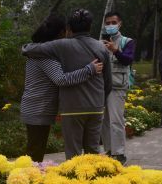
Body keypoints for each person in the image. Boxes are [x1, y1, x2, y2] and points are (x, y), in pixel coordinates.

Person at [22, 9, 112, 160]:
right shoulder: (100, 47)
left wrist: (25, 47)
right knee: (92, 153)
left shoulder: (57, 48)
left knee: (72, 156)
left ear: (69, 28)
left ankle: (72, 182)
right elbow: (62, 80)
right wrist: (90, 71)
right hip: (45, 108)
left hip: (66, 108)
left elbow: (27, 48)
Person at [100, 11, 136, 164]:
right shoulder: (99, 42)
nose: (110, 26)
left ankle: (119, 153)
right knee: (103, 121)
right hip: (101, 86)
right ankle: (108, 150)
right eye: (107, 23)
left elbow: (128, 59)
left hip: (117, 86)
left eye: (113, 22)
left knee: (116, 120)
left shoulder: (127, 41)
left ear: (120, 24)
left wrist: (115, 50)